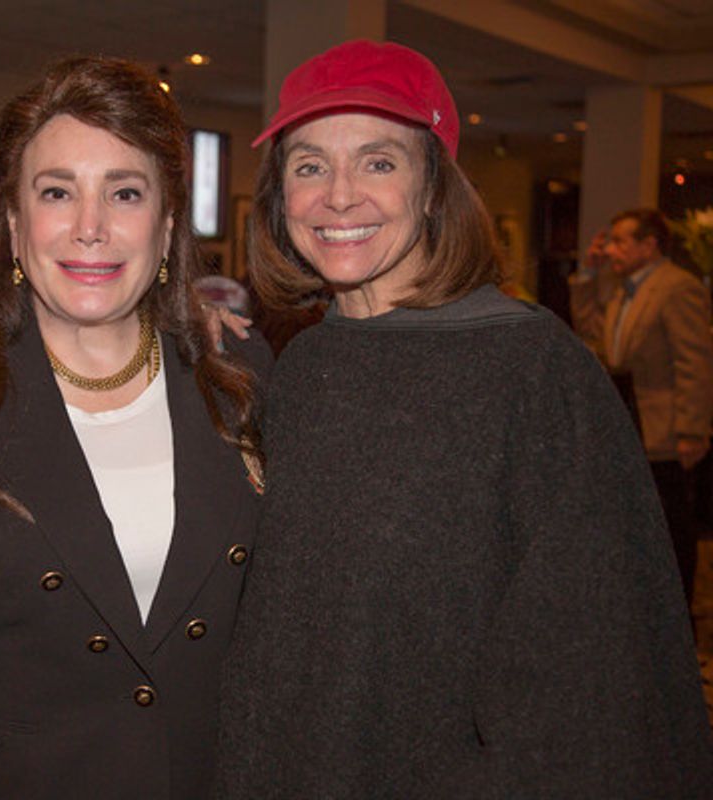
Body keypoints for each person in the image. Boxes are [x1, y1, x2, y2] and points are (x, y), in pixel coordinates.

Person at [215, 39, 713, 799]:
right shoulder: (307, 366)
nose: (338, 195)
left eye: (378, 161)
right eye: (309, 165)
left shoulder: (532, 372)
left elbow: (594, 682)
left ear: (435, 189)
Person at [0, 56, 268, 799]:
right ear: (14, 224)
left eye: (125, 192)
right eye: (56, 192)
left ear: (167, 223)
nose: (90, 228)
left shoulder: (236, 374)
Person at [570, 208, 713, 611]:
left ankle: (679, 616)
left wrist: (691, 430)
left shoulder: (677, 287)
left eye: (620, 241)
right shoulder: (623, 287)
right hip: (630, 423)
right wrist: (590, 275)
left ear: (649, 246)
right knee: (636, 529)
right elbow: (591, 335)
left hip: (665, 431)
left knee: (672, 529)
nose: (611, 248)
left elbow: (695, 362)